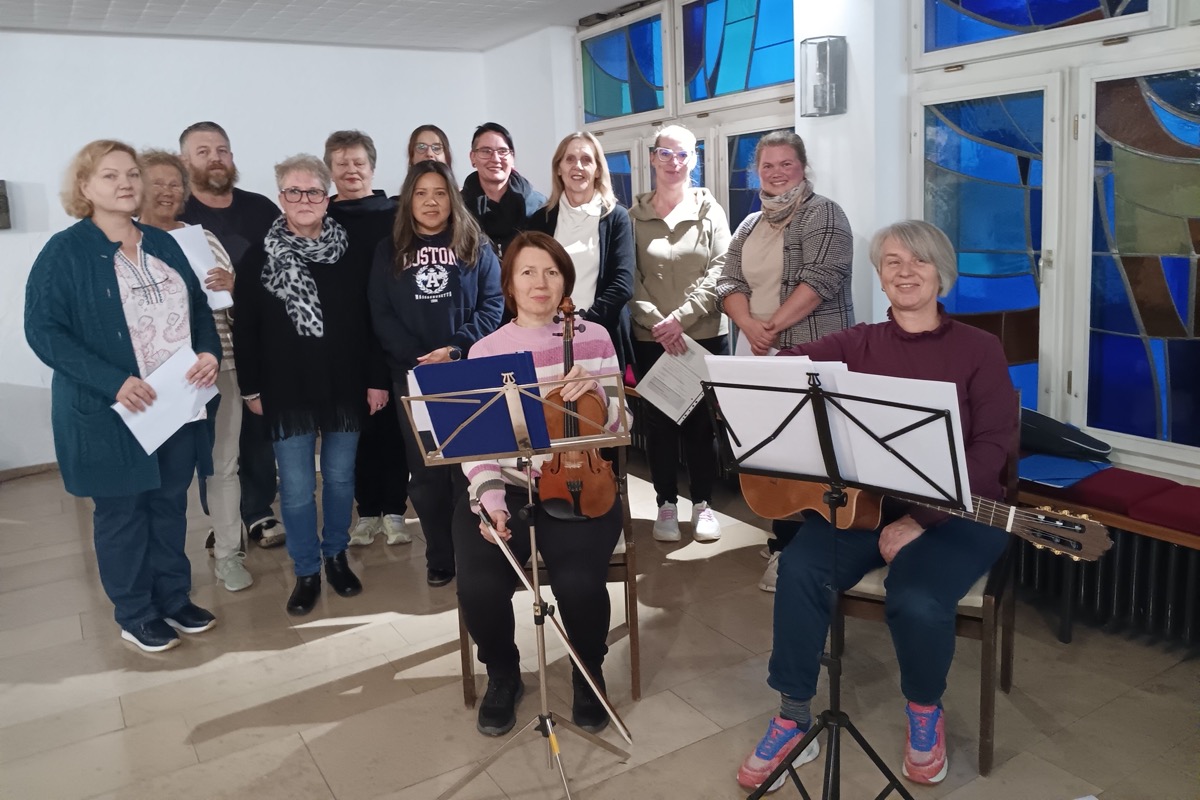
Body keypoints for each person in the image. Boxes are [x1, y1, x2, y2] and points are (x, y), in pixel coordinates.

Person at [735, 221, 1017, 792]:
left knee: (916, 597)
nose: (905, 272)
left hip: (963, 511)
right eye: (892, 262)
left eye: (919, 260)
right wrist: (759, 362)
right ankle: (793, 715)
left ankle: (924, 710)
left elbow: (992, 450)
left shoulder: (979, 349)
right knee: (799, 568)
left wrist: (922, 519)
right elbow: (785, 370)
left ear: (942, 272)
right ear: (880, 277)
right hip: (867, 506)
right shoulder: (856, 343)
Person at [25, 140, 221, 652]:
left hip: (175, 405)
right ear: (85, 187)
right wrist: (111, 380)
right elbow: (43, 331)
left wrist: (208, 352)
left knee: (169, 506)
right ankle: (136, 612)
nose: (126, 183)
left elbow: (199, 308)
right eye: (110, 176)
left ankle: (173, 598)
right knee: (122, 513)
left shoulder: (163, 243)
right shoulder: (65, 252)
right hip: (112, 410)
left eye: (132, 173)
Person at [453, 231, 629, 737]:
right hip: (507, 482)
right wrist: (491, 502)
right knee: (479, 583)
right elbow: (477, 445)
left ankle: (587, 671)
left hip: (580, 478)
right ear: (509, 283)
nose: (541, 282)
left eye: (552, 272)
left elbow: (620, 424)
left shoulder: (594, 338)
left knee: (579, 582)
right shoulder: (486, 350)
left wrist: (599, 394)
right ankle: (502, 673)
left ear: (565, 283)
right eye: (528, 271)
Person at [233, 154, 389, 616]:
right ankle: (305, 570)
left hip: (346, 384)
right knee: (298, 488)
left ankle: (335, 556)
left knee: (340, 478)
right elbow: (246, 330)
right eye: (293, 191)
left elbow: (371, 321)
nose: (304, 199)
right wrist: (251, 389)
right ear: (281, 197)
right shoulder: (258, 256)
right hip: (286, 389)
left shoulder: (353, 253)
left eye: (313, 191)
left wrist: (376, 380)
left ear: (327, 197)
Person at [716, 130, 855, 591]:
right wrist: (750, 327)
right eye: (767, 165)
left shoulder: (824, 213)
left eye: (786, 164)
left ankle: (804, 551)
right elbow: (728, 282)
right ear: (757, 171)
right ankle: (783, 538)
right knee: (770, 452)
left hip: (807, 351)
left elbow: (821, 281)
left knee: (812, 455)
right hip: (756, 350)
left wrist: (769, 328)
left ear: (803, 167)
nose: (776, 173)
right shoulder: (749, 224)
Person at [369, 160, 504, 587]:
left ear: (453, 198)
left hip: (467, 372)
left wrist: (456, 348)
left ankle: (476, 550)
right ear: (409, 199)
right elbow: (380, 312)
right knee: (426, 475)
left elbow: (493, 304)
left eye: (440, 192)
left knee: (470, 469)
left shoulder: (475, 244)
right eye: (422, 193)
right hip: (413, 377)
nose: (431, 202)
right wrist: (419, 358)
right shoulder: (388, 249)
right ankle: (441, 555)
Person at [136, 149, 252, 592]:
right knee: (163, 476)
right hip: (156, 376)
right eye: (157, 183)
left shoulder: (203, 239)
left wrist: (236, 290)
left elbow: (236, 310)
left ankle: (229, 554)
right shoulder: (124, 243)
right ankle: (162, 568)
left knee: (224, 465)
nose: (167, 192)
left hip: (220, 365)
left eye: (175, 184)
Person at [179, 121, 286, 550]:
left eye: (222, 150)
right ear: (185, 161)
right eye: (203, 151)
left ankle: (259, 512)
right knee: (214, 438)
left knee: (258, 433)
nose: (215, 158)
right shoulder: (177, 215)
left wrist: (240, 285)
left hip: (259, 341)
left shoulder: (261, 210)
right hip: (204, 349)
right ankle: (223, 521)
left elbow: (287, 274)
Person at [629, 124, 733, 543]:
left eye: (683, 154)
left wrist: (681, 320)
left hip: (703, 334)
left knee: (700, 424)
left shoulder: (711, 211)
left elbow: (722, 269)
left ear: (695, 159)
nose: (674, 162)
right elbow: (628, 275)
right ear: (652, 157)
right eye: (666, 153)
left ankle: (703, 504)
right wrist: (658, 321)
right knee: (659, 425)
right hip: (650, 336)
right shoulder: (633, 217)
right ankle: (666, 504)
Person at [323, 130, 412, 549]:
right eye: (341, 163)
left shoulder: (396, 214)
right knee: (354, 429)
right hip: (342, 341)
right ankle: (367, 511)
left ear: (372, 167)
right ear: (330, 170)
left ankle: (394, 510)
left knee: (392, 428)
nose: (351, 170)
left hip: (390, 331)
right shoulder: (321, 217)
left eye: (358, 162)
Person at [529, 131, 635, 370]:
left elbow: (623, 284)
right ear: (559, 168)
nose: (578, 166)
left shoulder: (616, 217)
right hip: (547, 335)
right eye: (570, 159)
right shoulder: (540, 220)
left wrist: (584, 324)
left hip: (601, 334)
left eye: (586, 159)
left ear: (597, 170)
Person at [461, 122, 546, 257]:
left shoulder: (538, 205)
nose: (495, 159)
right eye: (486, 151)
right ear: (473, 157)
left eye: (502, 151)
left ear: (512, 158)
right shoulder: (459, 208)